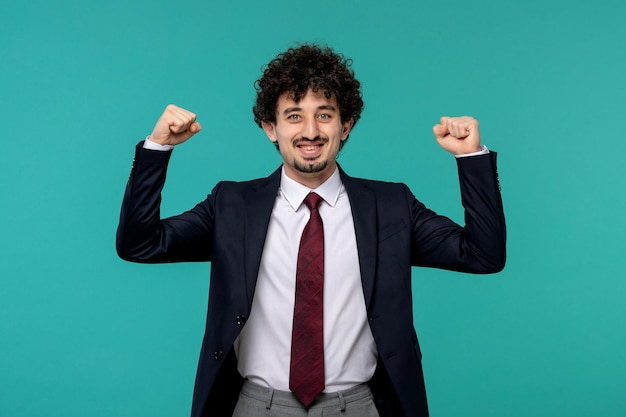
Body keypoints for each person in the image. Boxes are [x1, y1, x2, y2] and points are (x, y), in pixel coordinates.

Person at [116, 44, 506, 417]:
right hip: (256, 405)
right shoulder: (232, 205)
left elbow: (483, 255)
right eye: (293, 115)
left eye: (324, 114)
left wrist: (470, 157)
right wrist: (158, 147)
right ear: (271, 127)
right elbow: (140, 244)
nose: (310, 131)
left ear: (345, 125)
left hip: (360, 406)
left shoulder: (391, 206)